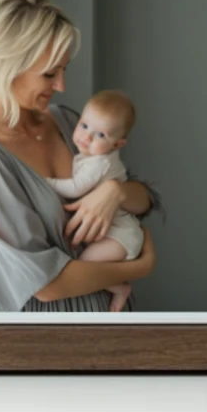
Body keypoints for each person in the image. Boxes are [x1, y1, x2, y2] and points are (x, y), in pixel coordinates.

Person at [0, 0, 159, 312]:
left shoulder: (67, 122)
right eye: (50, 73)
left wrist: (115, 192)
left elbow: (143, 199)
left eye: (64, 69)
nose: (62, 85)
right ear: (9, 66)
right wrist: (139, 268)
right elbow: (43, 284)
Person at [45, 90, 142, 312]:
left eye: (100, 135)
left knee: (85, 267)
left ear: (117, 144)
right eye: (84, 125)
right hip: (119, 234)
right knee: (86, 265)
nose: (86, 137)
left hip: (121, 237)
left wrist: (45, 182)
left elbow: (76, 188)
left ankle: (119, 289)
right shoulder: (92, 156)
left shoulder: (100, 163)